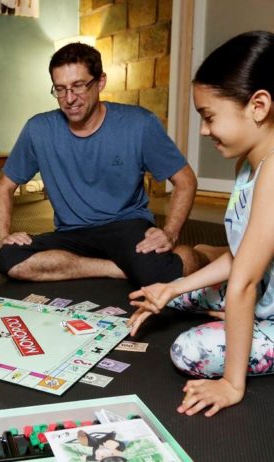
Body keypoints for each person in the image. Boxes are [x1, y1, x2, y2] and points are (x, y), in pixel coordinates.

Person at [128, 31, 274, 417]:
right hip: (262, 287)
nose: (204, 131)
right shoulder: (249, 163)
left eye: (209, 117)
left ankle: (253, 325)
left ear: (258, 106)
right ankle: (244, 315)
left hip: (257, 291)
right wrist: (172, 288)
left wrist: (231, 384)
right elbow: (241, 256)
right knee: (174, 292)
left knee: (188, 351)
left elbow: (244, 281)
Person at [0, 42, 204, 288]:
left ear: (100, 82)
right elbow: (4, 186)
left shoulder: (139, 123)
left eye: (78, 86)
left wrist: (170, 233)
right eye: (60, 89)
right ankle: (120, 268)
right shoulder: (38, 129)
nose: (69, 98)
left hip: (125, 226)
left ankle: (204, 254)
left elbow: (186, 180)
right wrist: (2, 238)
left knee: (159, 274)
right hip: (71, 233)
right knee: (9, 258)